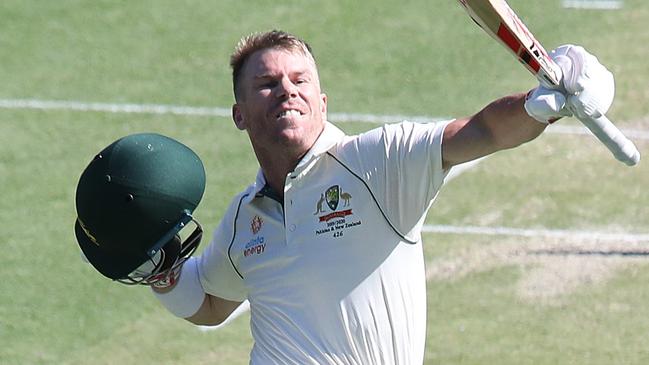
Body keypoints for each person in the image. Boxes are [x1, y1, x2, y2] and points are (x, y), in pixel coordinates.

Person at [75, 30, 615, 364]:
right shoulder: (245, 219)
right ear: (239, 114)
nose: (287, 89)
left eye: (300, 80)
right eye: (266, 83)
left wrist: (542, 106)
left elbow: (483, 132)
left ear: (322, 100)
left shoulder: (380, 162)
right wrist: (163, 274)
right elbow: (213, 304)